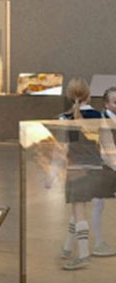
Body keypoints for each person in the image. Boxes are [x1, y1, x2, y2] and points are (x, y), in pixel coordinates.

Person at [58, 78, 116, 266]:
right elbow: (108, 147)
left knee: (79, 209)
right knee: (78, 209)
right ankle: (67, 247)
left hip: (75, 171)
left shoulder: (63, 118)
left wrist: (52, 174)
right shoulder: (98, 116)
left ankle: (83, 255)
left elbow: (60, 149)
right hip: (95, 169)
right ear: (89, 95)